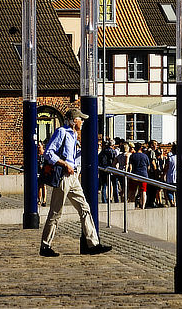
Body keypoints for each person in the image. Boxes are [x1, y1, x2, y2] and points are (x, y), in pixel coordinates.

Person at [39, 109, 110, 257]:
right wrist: (65, 164)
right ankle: (45, 246)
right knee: (56, 212)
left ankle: (93, 243)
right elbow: (48, 153)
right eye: (80, 119)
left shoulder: (73, 135)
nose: (82, 122)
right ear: (72, 120)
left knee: (85, 208)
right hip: (64, 177)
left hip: (73, 177)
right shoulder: (62, 132)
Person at [128, 143, 150, 209]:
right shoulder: (145, 156)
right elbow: (148, 166)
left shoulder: (132, 156)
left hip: (134, 174)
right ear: (141, 148)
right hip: (143, 175)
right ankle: (143, 206)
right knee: (143, 191)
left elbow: (130, 166)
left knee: (133, 191)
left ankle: (132, 204)